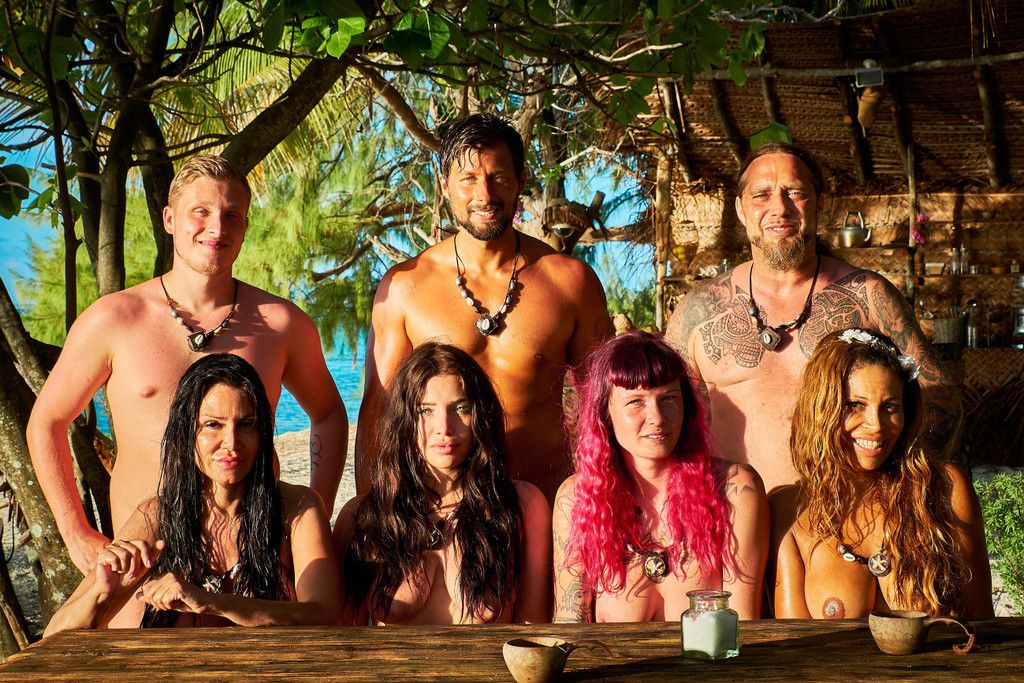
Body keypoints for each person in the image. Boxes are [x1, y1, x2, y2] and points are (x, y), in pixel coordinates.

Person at [28, 155, 348, 575]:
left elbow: (328, 414)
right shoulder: (115, 319)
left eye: (232, 215)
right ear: (169, 219)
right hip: (144, 560)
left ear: (245, 226)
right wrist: (76, 534)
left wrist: (314, 519)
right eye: (201, 211)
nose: (217, 228)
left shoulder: (281, 324)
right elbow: (47, 421)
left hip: (253, 562)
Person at [665, 141, 958, 496]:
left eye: (795, 193)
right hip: (737, 518)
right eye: (761, 195)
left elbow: (941, 402)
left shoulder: (869, 296)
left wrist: (894, 489)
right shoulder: (700, 310)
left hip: (849, 516)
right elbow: (664, 419)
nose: (779, 208)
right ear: (740, 210)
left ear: (819, 205)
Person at [357, 113, 612, 502]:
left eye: (499, 178)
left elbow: (605, 404)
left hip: (545, 502)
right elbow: (378, 413)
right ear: (445, 185)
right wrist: (370, 511)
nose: (485, 195)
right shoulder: (405, 288)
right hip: (443, 515)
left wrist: (605, 503)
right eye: (468, 179)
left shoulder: (570, 283)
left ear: (521, 181)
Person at [44, 354, 340, 634]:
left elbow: (324, 614)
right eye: (213, 425)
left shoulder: (296, 508)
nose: (231, 442)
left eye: (246, 424)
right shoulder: (159, 515)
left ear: (262, 432)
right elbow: (55, 632)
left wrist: (212, 603)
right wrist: (101, 594)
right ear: (186, 433)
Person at [774, 329, 992, 618]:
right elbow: (792, 640)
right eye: (855, 405)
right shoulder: (791, 510)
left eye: (890, 406)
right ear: (822, 408)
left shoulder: (944, 489)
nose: (876, 425)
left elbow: (983, 624)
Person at [552, 332, 768, 622]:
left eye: (668, 398)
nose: (657, 417)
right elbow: (569, 625)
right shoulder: (577, 499)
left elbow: (743, 626)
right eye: (636, 402)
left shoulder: (734, 491)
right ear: (604, 412)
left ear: (686, 406)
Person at [335, 342, 551, 625]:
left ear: (481, 415)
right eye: (425, 411)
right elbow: (344, 633)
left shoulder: (522, 505)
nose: (444, 428)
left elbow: (534, 626)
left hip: (488, 656)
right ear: (404, 420)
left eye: (461, 408)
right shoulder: (363, 517)